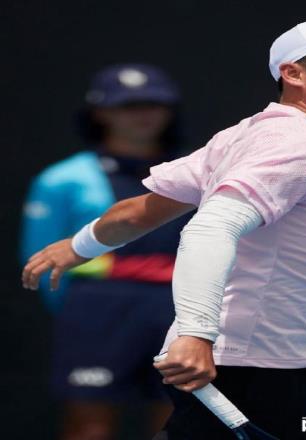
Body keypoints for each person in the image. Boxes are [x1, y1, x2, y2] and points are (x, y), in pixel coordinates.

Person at [22, 17, 306, 439]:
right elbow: (209, 229)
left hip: (304, 364)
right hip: (260, 373)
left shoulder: (248, 135)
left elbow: (139, 211)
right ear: (294, 73)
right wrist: (196, 335)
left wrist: (78, 245)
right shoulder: (305, 145)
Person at [19, 63, 195, 440]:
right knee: (90, 426)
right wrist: (84, 303)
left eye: (153, 104)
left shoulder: (196, 171)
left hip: (181, 309)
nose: (143, 114)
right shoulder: (62, 179)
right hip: (96, 313)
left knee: (178, 422)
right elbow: (40, 261)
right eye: (127, 106)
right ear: (100, 112)